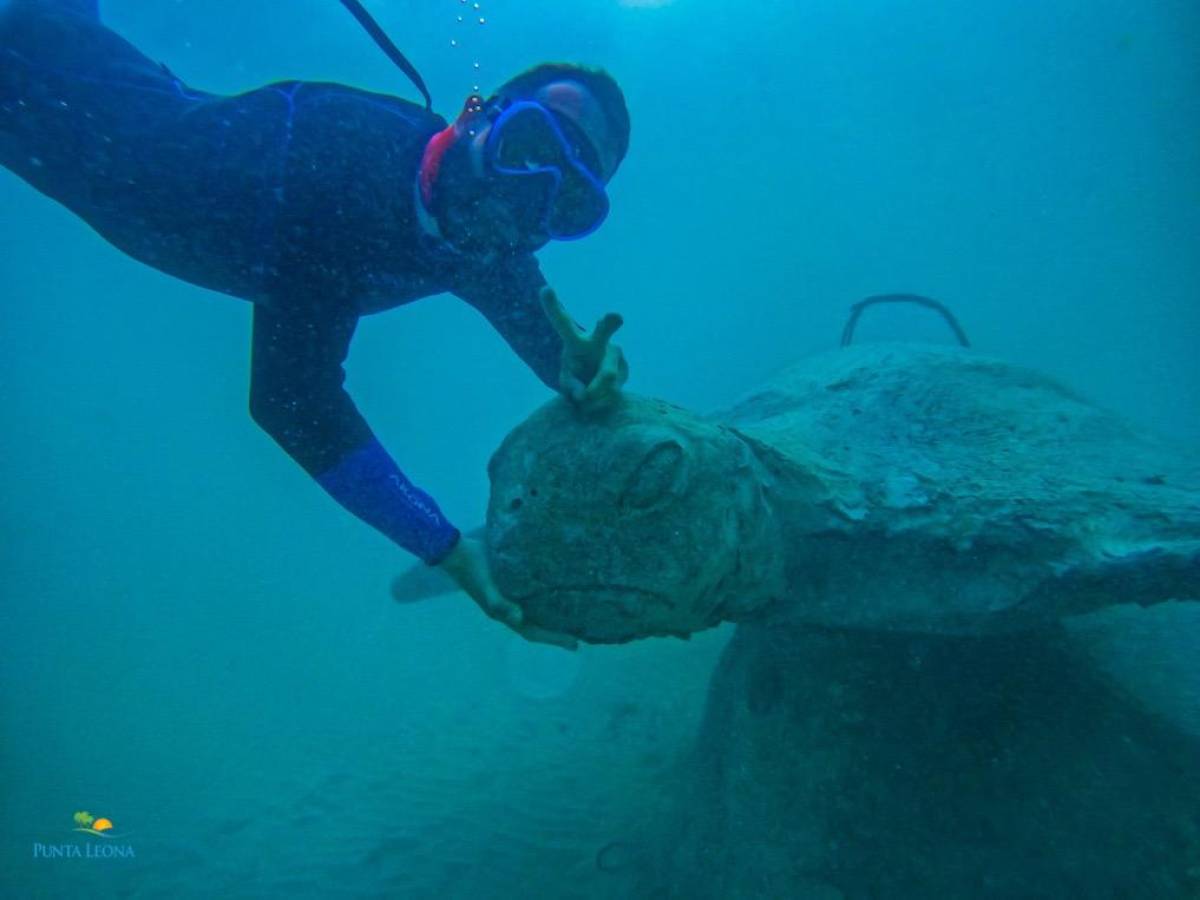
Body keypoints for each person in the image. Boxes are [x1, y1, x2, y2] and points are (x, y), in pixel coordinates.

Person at [0, 0, 632, 649]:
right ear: (476, 119)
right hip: (29, 72)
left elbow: (566, 351)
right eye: (529, 148)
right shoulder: (346, 168)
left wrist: (592, 371)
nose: (531, 195)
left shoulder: (479, 238)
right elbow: (290, 401)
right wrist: (440, 543)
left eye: (571, 202)